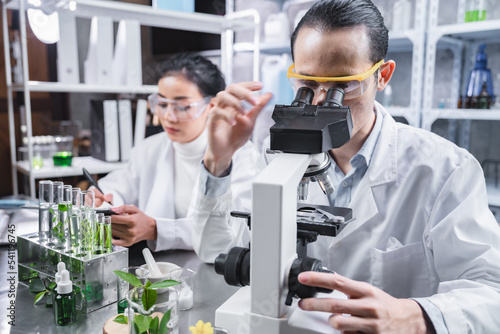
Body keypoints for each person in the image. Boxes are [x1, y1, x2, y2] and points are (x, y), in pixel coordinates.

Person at [191, 0, 500, 333]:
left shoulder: (445, 169)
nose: (322, 101)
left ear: (382, 76)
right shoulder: (278, 154)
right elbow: (216, 251)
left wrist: (416, 315)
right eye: (307, 85)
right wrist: (218, 159)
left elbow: (491, 291)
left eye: (343, 85)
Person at [91, 53, 259, 252]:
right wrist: (102, 200)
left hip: (214, 270)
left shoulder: (241, 155)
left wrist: (156, 229)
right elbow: (118, 187)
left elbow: (234, 231)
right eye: (162, 104)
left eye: (182, 106)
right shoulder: (150, 148)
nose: (168, 116)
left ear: (212, 106)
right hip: (156, 269)